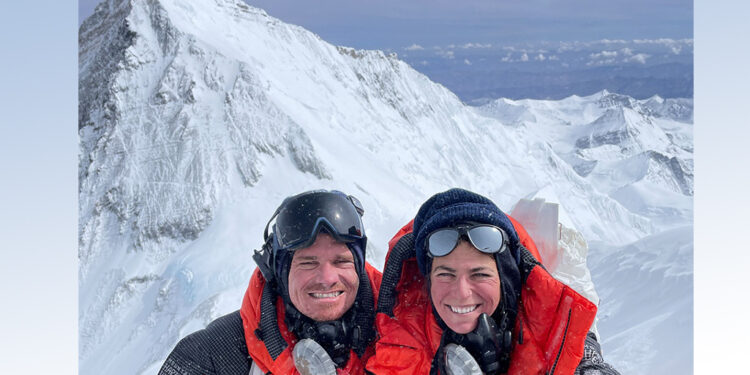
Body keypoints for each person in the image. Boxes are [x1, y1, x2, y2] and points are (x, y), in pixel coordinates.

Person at [366, 188, 619, 375]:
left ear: (505, 279)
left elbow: (576, 353)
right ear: (428, 281)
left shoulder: (557, 340)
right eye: (445, 274)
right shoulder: (393, 341)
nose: (462, 293)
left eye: (480, 274)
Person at [159, 190, 382, 375]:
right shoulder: (211, 356)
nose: (327, 279)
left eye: (341, 261)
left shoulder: (404, 340)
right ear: (280, 272)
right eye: (308, 263)